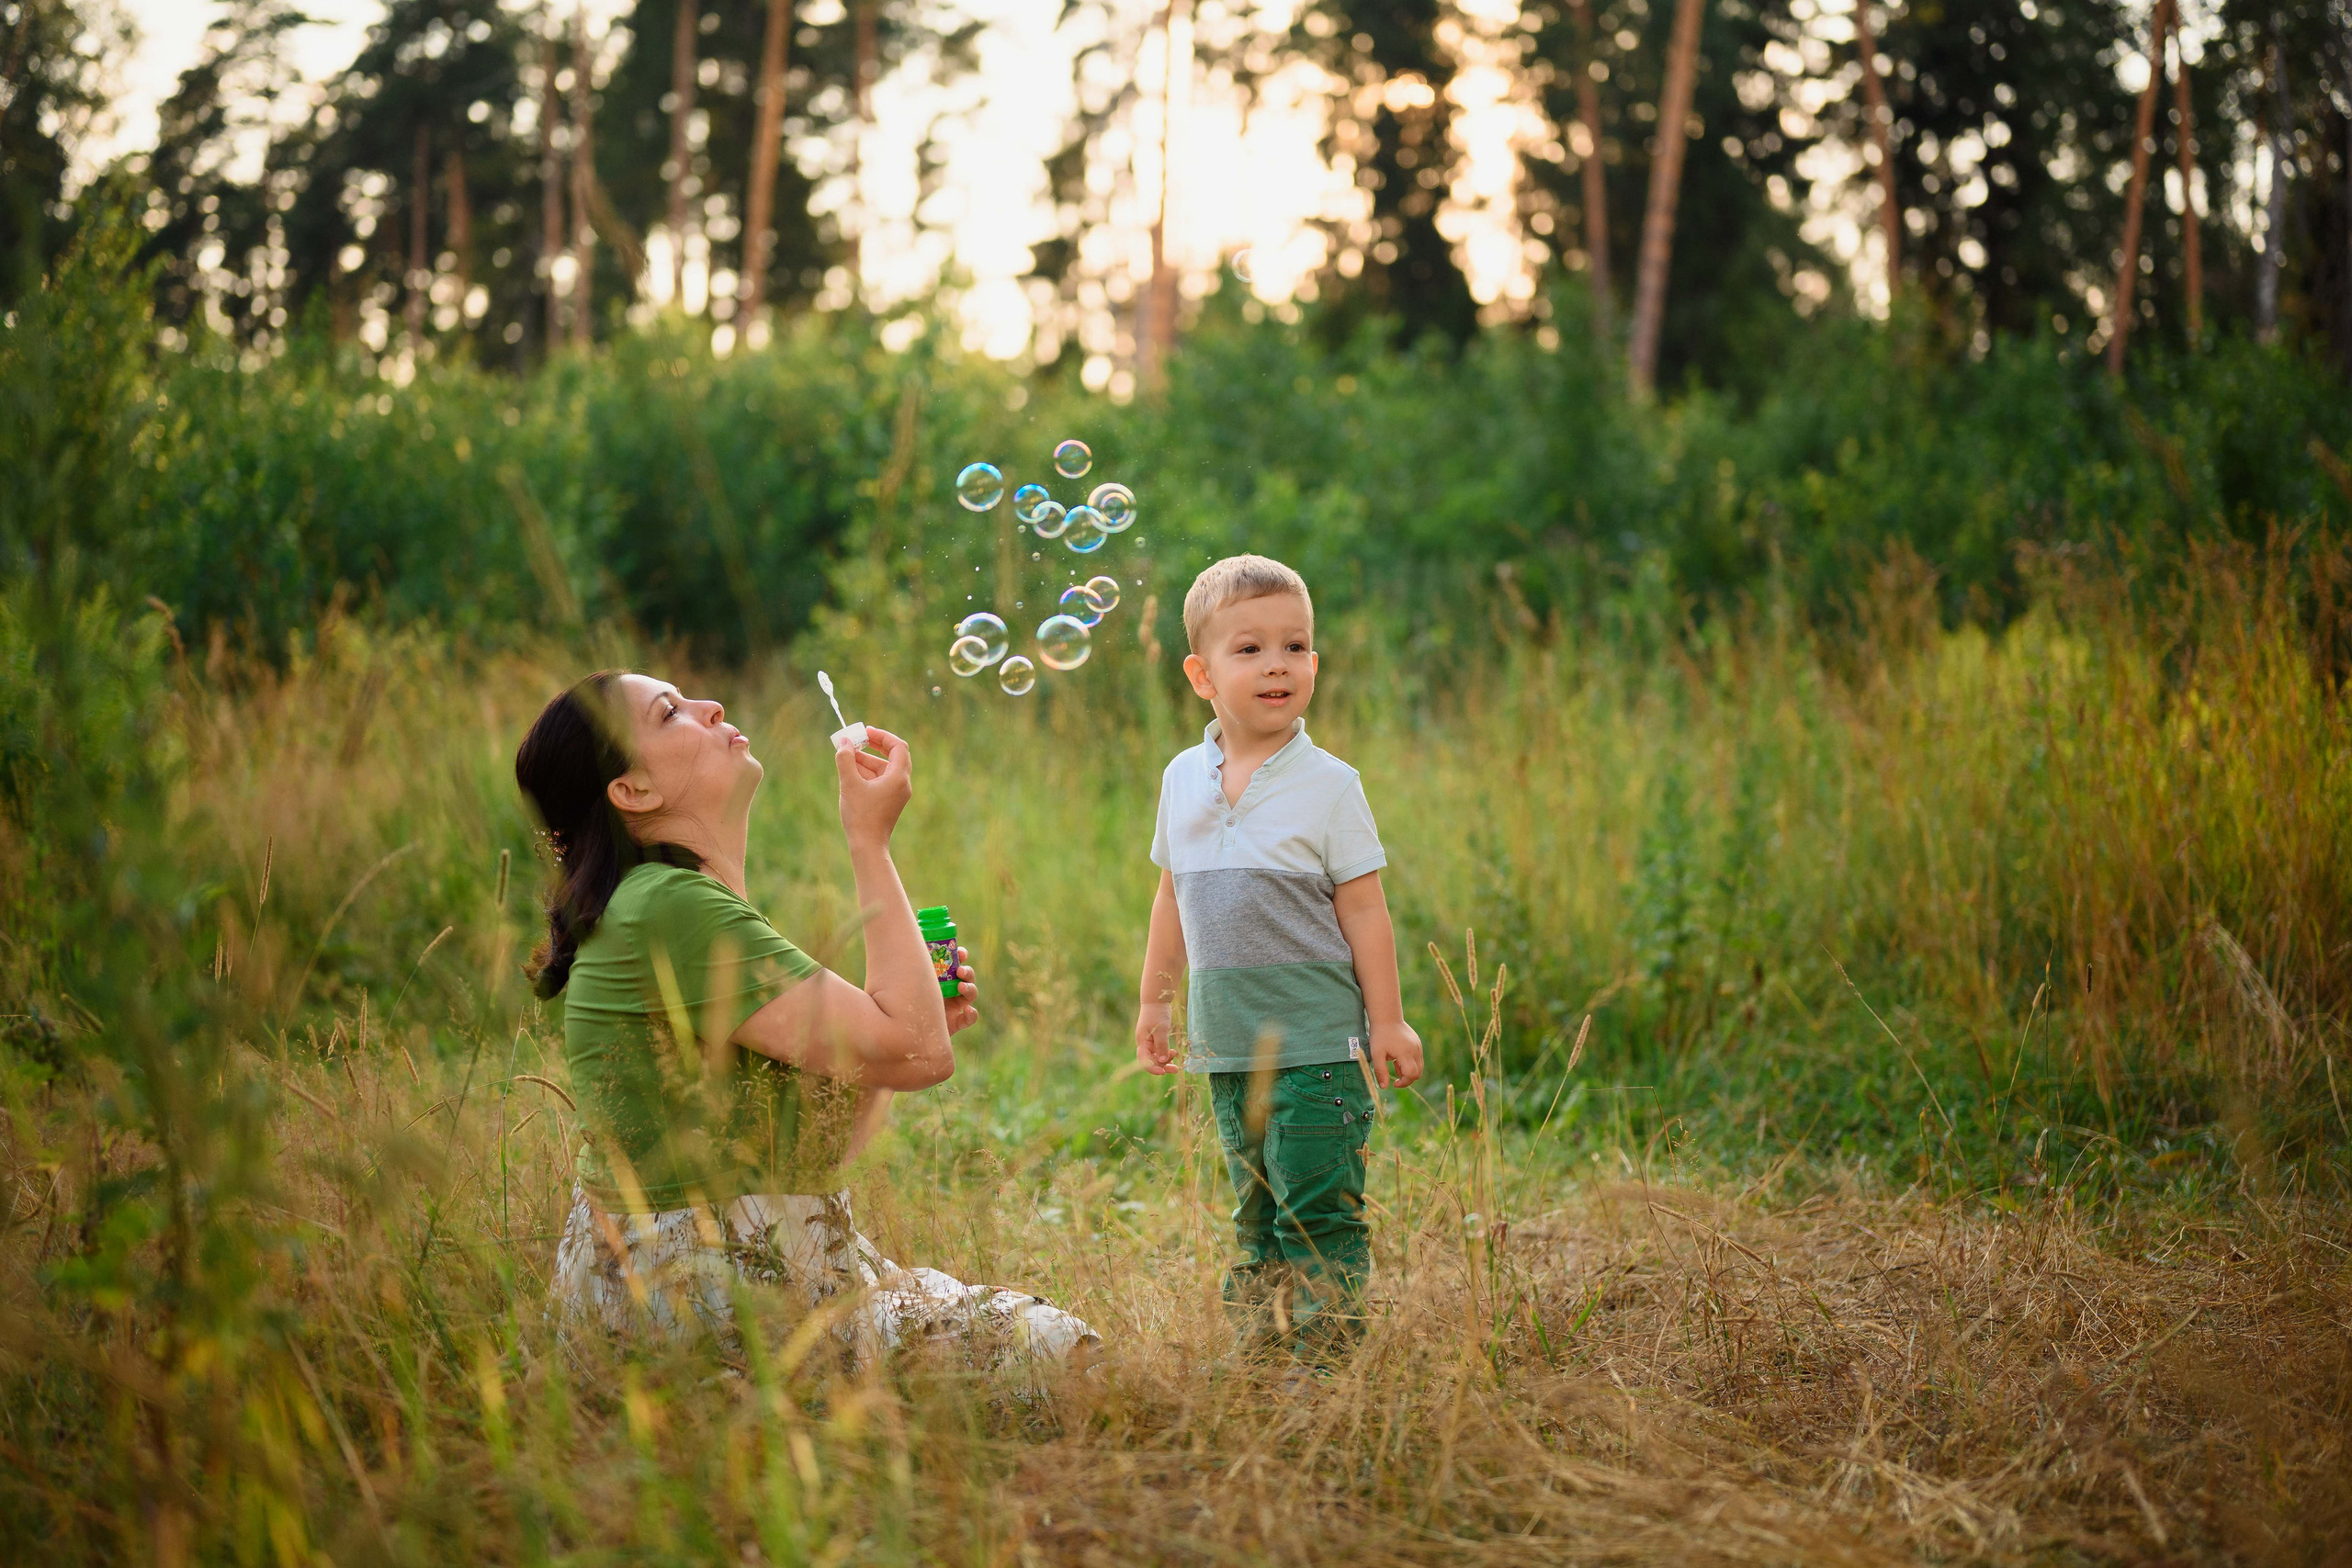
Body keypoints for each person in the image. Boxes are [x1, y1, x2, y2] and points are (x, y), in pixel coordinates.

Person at [514, 671, 1097, 1370]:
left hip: (737, 1280)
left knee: (1046, 1351)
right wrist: (869, 840)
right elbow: (921, 1055)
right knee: (1071, 1362)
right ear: (633, 790)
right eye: (671, 714)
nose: (713, 705)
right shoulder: (667, 907)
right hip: (706, 1301)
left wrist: (884, 1054)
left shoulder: (669, 904)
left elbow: (813, 1154)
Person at [1132, 556, 1424, 1364]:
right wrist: (1156, 1002)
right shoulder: (1181, 780)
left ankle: (1328, 1366)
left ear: (1315, 665)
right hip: (1227, 1049)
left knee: (1318, 1212)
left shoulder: (1330, 785)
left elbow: (1364, 907)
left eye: (1295, 646)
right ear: (1201, 674)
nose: (1277, 665)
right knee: (1254, 1210)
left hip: (1319, 1049)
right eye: (1250, 648)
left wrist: (1388, 1018)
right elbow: (1170, 897)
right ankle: (1259, 1351)